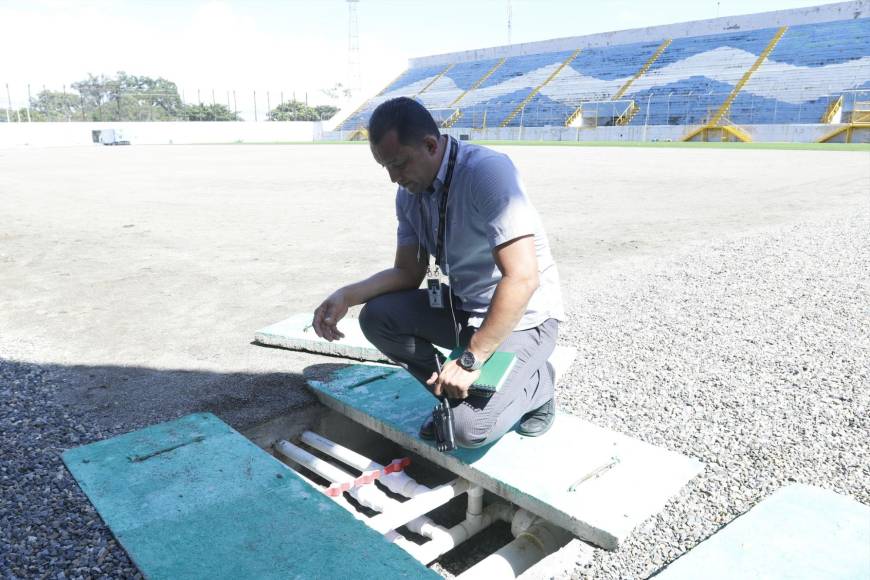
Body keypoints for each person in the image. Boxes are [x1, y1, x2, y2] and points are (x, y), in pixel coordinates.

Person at [313, 97, 565, 448]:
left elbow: (522, 278)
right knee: (377, 317)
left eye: (399, 164)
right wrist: (347, 295)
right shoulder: (409, 195)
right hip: (462, 307)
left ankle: (537, 385)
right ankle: (455, 393)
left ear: (431, 145)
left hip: (524, 318)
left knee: (467, 431)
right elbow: (407, 272)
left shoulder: (487, 173)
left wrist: (470, 358)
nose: (394, 178)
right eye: (385, 167)